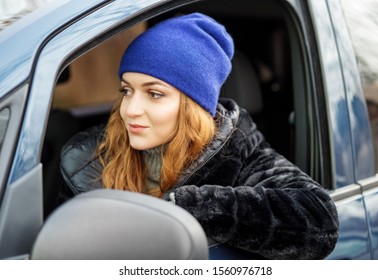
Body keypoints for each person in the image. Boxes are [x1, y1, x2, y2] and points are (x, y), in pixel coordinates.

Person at [58, 13, 339, 259]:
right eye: (127, 90)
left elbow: (319, 221)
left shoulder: (240, 154)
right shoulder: (86, 160)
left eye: (154, 94)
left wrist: (194, 207)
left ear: (193, 106)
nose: (130, 110)